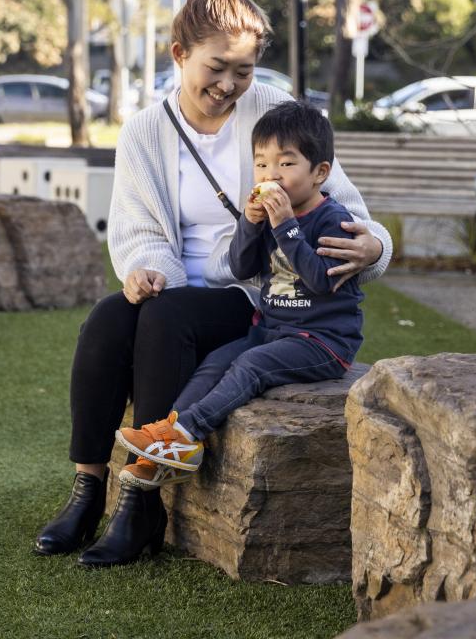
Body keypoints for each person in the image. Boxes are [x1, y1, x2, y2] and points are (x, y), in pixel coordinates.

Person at [32, 0, 393, 568]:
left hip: (249, 294)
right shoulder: (146, 130)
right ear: (178, 55)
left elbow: (347, 205)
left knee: (167, 318)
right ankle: (89, 487)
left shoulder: (273, 113)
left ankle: (142, 499)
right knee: (107, 319)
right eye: (216, 68)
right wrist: (147, 270)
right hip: (177, 287)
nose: (228, 84)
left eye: (244, 71)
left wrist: (375, 246)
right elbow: (138, 227)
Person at [115, 101, 363, 489]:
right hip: (272, 328)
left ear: (320, 173)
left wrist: (285, 226)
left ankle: (186, 433)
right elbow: (240, 266)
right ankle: (171, 437)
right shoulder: (269, 213)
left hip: (322, 341)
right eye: (261, 164)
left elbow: (320, 280)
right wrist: (250, 223)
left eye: (286, 163)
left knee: (252, 367)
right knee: (215, 362)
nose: (271, 174)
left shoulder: (335, 221)